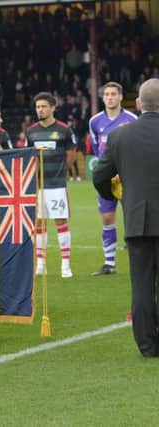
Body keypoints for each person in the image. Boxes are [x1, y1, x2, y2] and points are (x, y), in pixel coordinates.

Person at [93, 78, 159, 357]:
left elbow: (99, 175)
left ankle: (147, 345)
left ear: (139, 104)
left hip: (138, 218)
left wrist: (118, 194)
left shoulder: (120, 136)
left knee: (142, 284)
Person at [26, 92, 77, 279]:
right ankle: (41, 264)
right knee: (39, 224)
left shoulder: (64, 130)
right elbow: (27, 155)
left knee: (61, 222)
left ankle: (65, 266)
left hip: (56, 185)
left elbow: (72, 154)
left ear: (53, 108)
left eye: (44, 106)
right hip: (37, 186)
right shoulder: (31, 131)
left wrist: (60, 172)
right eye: (38, 107)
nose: (40, 110)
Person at [89, 82, 138, 276]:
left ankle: (138, 260)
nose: (109, 97)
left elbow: (136, 147)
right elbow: (96, 148)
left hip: (128, 177)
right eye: (106, 94)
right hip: (107, 179)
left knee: (133, 218)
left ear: (120, 97)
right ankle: (109, 263)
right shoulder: (95, 121)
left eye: (113, 94)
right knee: (107, 217)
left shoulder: (132, 119)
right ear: (103, 98)